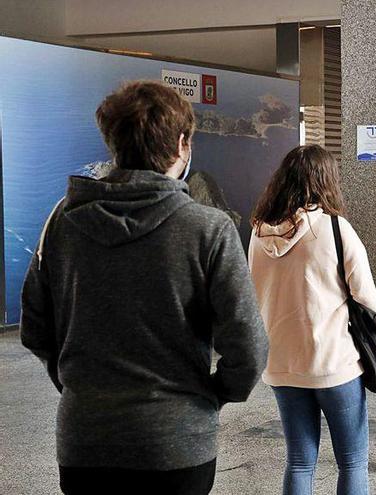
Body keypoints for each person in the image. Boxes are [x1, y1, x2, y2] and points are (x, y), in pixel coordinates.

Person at [19, 80, 268, 495]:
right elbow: (248, 346)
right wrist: (209, 397)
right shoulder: (208, 229)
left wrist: (79, 385)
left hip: (85, 440)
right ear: (183, 145)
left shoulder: (63, 221)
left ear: (113, 143)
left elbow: (34, 326)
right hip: (177, 445)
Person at [248, 145, 376, 495]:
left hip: (282, 363)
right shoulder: (335, 229)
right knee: (352, 462)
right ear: (327, 181)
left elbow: (252, 292)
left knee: (298, 462)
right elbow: (368, 299)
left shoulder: (258, 232)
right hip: (333, 363)